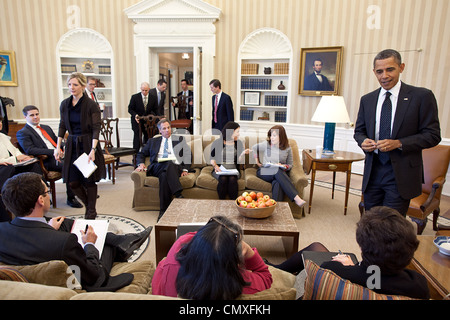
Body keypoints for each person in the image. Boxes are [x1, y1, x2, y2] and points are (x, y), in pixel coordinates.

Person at [0, 172, 152, 292]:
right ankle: (120, 245)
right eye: (47, 192)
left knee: (62, 222)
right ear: (41, 200)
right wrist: (89, 245)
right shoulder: (64, 242)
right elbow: (93, 275)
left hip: (36, 252)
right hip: (80, 280)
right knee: (104, 244)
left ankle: (121, 241)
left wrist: (48, 229)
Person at [268, 206, 430, 299]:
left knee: (314, 249)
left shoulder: (331, 271)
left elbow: (370, 278)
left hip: (304, 289)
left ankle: (276, 270)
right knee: (316, 247)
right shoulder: (419, 284)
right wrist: (356, 267)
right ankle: (277, 267)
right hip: (367, 273)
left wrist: (353, 268)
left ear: (361, 244)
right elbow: (377, 280)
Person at [354, 49, 441, 216]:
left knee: (391, 227)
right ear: (374, 72)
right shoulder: (367, 99)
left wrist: (399, 143)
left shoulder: (421, 96)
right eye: (379, 71)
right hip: (373, 173)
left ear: (401, 67)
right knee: (371, 223)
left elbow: (433, 135)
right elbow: (359, 131)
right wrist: (363, 140)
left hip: (401, 174)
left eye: (390, 69)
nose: (384, 76)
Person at [152, 215, 273, 299]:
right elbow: (266, 276)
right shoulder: (245, 285)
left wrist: (211, 236)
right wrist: (249, 252)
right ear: (234, 263)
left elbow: (191, 237)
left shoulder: (178, 249)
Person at [54, 72, 106, 220]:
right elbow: (62, 125)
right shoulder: (65, 104)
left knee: (89, 180)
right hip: (71, 144)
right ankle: (90, 208)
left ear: (83, 86)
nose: (72, 87)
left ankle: (90, 213)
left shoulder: (91, 105)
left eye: (75, 84)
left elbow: (96, 127)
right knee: (73, 182)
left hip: (88, 144)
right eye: (69, 84)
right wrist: (58, 147)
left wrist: (93, 150)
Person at [16, 105, 82, 208]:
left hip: (60, 154)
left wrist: (64, 147)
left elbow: (57, 140)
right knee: (71, 167)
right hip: (47, 160)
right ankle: (71, 198)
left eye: (37, 114)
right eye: (32, 115)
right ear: (25, 117)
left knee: (81, 159)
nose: (35, 117)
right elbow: (30, 149)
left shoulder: (46, 127)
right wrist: (54, 151)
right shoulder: (23, 132)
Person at [135, 119, 191, 221]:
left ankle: (163, 212)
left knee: (165, 175)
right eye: (164, 128)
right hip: (157, 166)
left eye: (168, 127)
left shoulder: (179, 140)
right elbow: (141, 154)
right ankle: (178, 193)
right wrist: (141, 164)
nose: (167, 130)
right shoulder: (153, 141)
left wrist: (185, 169)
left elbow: (187, 154)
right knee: (167, 165)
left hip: (174, 167)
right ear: (160, 130)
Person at [252, 125, 306, 208]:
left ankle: (275, 210)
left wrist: (284, 166)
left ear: (281, 136)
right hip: (264, 171)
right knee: (276, 170)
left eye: (274, 135)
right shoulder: (266, 144)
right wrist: (257, 161)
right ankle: (296, 197)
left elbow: (290, 165)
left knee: (277, 183)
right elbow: (254, 148)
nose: (271, 138)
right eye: (270, 135)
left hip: (279, 173)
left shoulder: (287, 148)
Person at [0, 116, 42, 222]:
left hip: (13, 165)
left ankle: (37, 194)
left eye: (0, 121)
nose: (0, 124)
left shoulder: (3, 136)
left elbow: (15, 151)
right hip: (4, 168)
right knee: (8, 169)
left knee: (33, 165)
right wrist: (15, 158)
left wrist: (23, 157)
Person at [210, 121, 249, 199]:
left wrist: (242, 154)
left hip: (233, 169)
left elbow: (239, 161)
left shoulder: (239, 143)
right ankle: (221, 202)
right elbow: (212, 158)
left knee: (232, 179)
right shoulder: (217, 142)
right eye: (237, 132)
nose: (239, 134)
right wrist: (216, 166)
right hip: (220, 169)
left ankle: (233, 203)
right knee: (223, 179)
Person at [128, 82, 151, 153]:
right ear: (140, 89)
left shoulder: (152, 97)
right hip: (136, 121)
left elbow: (155, 109)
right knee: (137, 138)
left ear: (149, 89)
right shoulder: (134, 97)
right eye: (143, 90)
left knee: (148, 138)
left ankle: (146, 155)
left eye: (146, 90)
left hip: (147, 122)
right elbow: (130, 109)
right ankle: (135, 156)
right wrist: (136, 115)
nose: (144, 92)